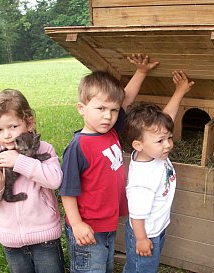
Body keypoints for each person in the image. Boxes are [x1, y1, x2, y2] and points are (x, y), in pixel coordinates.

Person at [59, 54, 159, 273]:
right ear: (81, 108)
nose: (108, 116)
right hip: (88, 228)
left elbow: (126, 99)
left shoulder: (110, 132)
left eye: (113, 111)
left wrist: (141, 72)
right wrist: (76, 224)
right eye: (101, 109)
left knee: (104, 267)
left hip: (107, 224)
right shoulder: (78, 146)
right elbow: (67, 191)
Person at [0, 89, 65, 273]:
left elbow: (55, 180)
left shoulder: (43, 148)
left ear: (29, 122)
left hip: (44, 236)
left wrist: (20, 161)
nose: (6, 135)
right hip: (11, 239)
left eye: (13, 127)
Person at [123, 71, 194, 273]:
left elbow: (167, 117)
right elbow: (136, 215)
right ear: (138, 145)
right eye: (161, 141)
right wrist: (142, 239)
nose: (168, 145)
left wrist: (180, 91)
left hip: (157, 227)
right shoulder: (142, 180)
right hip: (145, 233)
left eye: (169, 138)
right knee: (141, 270)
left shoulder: (153, 152)